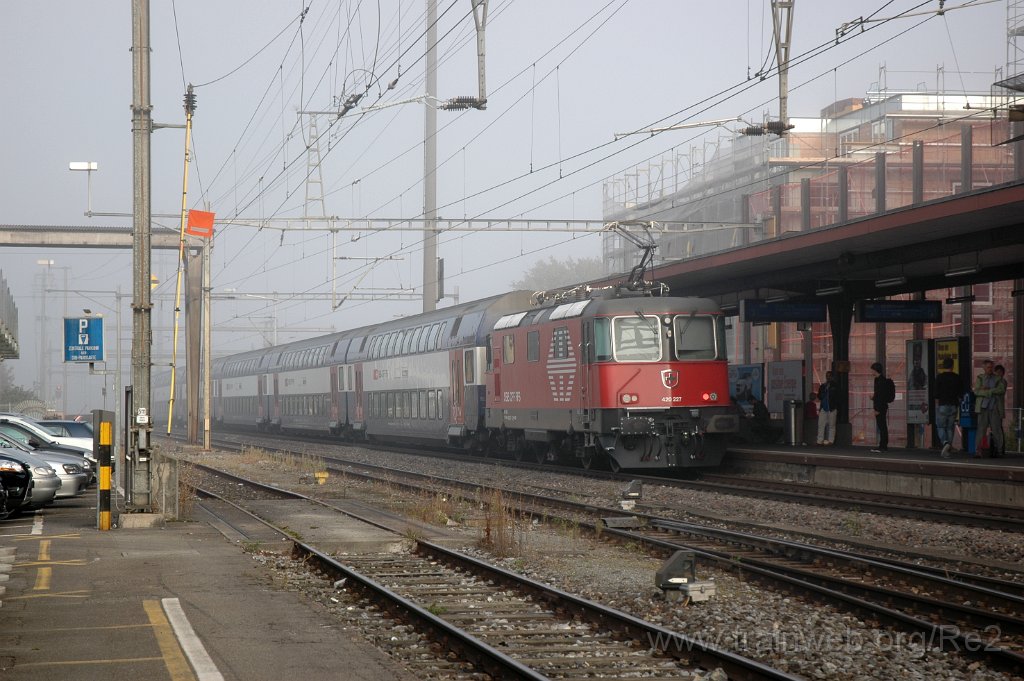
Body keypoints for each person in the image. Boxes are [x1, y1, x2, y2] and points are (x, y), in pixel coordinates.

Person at [973, 360, 1006, 457]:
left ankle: (1000, 450)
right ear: (983, 368)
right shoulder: (980, 378)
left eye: (991, 367)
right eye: (988, 367)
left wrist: (988, 390)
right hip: (983, 407)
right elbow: (976, 392)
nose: (990, 369)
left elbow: (1001, 390)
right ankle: (978, 450)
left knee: (996, 429)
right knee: (981, 429)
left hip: (994, 407)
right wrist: (990, 392)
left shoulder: (998, 378)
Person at [933, 358, 962, 458]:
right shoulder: (956, 377)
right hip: (953, 405)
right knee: (950, 428)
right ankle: (948, 448)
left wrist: (937, 405)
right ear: (952, 366)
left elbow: (936, 394)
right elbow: (960, 393)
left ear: (943, 366)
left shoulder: (939, 377)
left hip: (942, 405)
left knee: (941, 426)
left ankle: (945, 443)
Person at [870, 362, 890, 452]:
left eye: (872, 370)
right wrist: (873, 398)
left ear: (876, 370)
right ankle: (882, 444)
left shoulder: (880, 381)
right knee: (882, 426)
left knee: (882, 426)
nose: (871, 372)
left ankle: (883, 445)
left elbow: (881, 396)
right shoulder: (878, 380)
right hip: (880, 405)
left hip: (880, 407)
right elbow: (878, 395)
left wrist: (877, 409)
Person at [816, 371, 838, 446]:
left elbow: (839, 397)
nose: (828, 377)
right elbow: (819, 396)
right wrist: (822, 394)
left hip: (832, 408)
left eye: (829, 376)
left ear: (832, 377)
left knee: (832, 425)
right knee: (821, 424)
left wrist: (836, 405)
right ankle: (819, 440)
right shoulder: (823, 386)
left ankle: (831, 440)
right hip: (823, 407)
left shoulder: (835, 386)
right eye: (827, 376)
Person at [993, 364, 1008, 457]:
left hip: (998, 409)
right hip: (991, 408)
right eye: (996, 372)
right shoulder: (993, 381)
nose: (998, 374)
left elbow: (998, 391)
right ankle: (997, 447)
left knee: (998, 429)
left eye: (1000, 372)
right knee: (996, 429)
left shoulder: (1003, 382)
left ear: (1003, 373)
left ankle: (1000, 449)